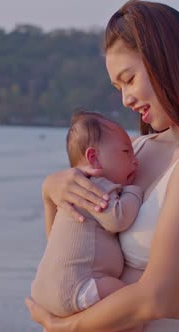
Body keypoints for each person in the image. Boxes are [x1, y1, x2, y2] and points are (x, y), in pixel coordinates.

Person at [26, 1, 179, 331]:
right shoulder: (135, 151)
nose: (125, 99)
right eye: (118, 87)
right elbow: (72, 257)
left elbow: (158, 298)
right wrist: (52, 193)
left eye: (130, 79)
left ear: (166, 62)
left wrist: (64, 327)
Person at [30, 111, 143, 332]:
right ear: (93, 159)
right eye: (126, 152)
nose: (135, 159)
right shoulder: (94, 187)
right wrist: (134, 193)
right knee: (129, 299)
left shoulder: (72, 190)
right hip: (80, 286)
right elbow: (117, 218)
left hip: (46, 290)